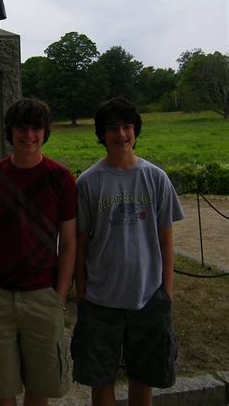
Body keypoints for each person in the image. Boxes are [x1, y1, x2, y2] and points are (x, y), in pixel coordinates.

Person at [71, 97, 185, 406]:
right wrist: (81, 293)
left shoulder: (156, 178)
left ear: (135, 130)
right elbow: (80, 245)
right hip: (100, 300)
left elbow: (166, 240)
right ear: (101, 134)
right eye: (112, 128)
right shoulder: (87, 183)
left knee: (143, 377)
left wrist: (167, 293)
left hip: (148, 298)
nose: (121, 134)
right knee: (101, 379)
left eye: (126, 127)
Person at [0, 98, 77, 406]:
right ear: (10, 131)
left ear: (45, 131)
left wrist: (59, 295)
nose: (29, 135)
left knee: (38, 390)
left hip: (43, 295)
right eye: (22, 127)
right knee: (2, 391)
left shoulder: (61, 179)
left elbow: (69, 243)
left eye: (36, 127)